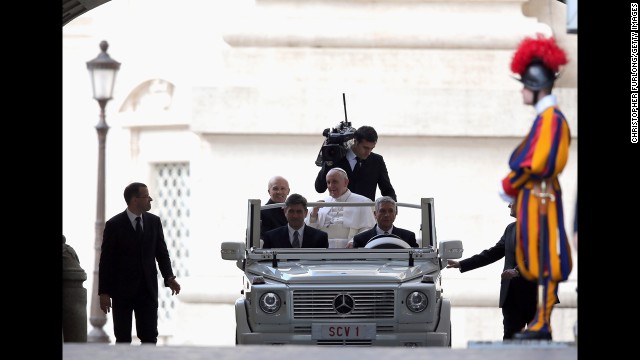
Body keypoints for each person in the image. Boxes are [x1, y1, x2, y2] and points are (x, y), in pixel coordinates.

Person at [498, 34, 573, 341]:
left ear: (536, 85)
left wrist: (510, 183)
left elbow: (537, 162)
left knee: (545, 262)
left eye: (525, 85)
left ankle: (542, 322)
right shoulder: (547, 118)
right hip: (537, 197)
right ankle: (542, 322)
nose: (521, 91)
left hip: (540, 197)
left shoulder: (550, 119)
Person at [98, 182, 181, 344]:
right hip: (122, 292)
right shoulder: (114, 225)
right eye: (146, 196)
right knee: (122, 339)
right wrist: (104, 293)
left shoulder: (154, 222)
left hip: (147, 290)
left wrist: (169, 277)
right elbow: (106, 261)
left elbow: (162, 253)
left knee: (149, 337)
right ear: (135, 200)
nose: (150, 199)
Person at [446, 198, 537, 340]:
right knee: (510, 340)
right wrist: (462, 264)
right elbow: (492, 253)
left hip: (535, 294)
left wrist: (517, 270)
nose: (508, 205)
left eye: (511, 202)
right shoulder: (511, 229)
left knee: (538, 342)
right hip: (511, 295)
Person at [314, 125, 397, 202]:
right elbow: (319, 188)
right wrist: (329, 163)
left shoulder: (377, 160)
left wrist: (392, 209)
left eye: (371, 148)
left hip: (365, 213)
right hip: (339, 213)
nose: (368, 152)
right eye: (365, 148)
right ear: (355, 141)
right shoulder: (336, 158)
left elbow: (387, 189)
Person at [306, 167, 376, 247]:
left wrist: (354, 242)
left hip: (349, 250)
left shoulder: (362, 202)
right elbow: (310, 230)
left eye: (335, 182)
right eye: (328, 182)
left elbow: (368, 228)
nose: (331, 186)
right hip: (324, 250)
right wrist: (313, 215)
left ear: (345, 182)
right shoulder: (321, 203)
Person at [262, 193, 329, 248]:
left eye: (299, 211)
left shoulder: (320, 238)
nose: (295, 216)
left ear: (306, 213)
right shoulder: (271, 237)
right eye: (291, 211)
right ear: (285, 211)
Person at [351, 196, 419, 248]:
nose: (387, 215)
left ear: (395, 214)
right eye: (382, 211)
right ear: (375, 214)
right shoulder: (360, 239)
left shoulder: (408, 237)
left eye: (390, 211)